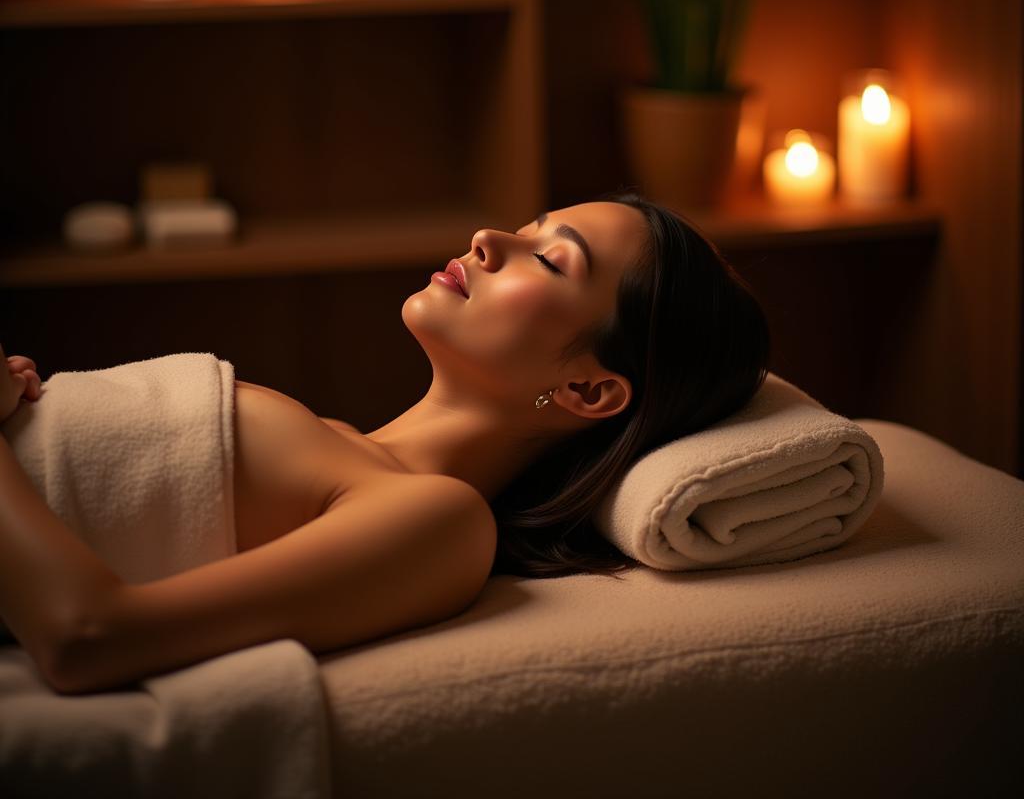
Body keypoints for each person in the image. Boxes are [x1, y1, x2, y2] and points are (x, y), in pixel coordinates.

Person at [0, 188, 770, 694]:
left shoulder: (439, 521)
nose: (488, 237)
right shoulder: (339, 444)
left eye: (548, 257)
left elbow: (86, 639)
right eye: (529, 226)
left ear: (588, 391)